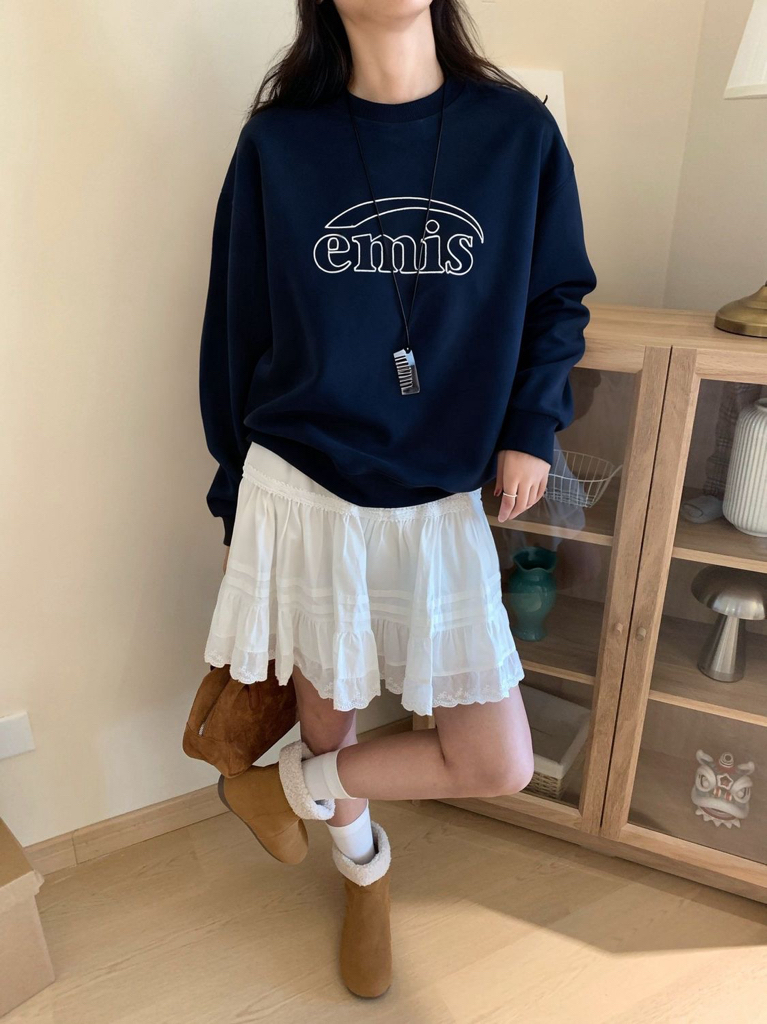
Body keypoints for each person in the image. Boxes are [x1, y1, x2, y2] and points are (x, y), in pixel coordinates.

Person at [198, 0, 596, 999]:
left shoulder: (515, 133)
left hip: (438, 488)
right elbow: (235, 327)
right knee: (329, 721)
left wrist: (530, 426)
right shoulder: (278, 144)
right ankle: (363, 876)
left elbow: (556, 296)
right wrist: (234, 494)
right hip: (304, 482)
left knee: (492, 757)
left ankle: (279, 789)